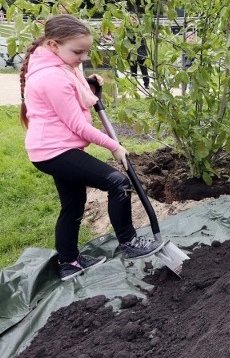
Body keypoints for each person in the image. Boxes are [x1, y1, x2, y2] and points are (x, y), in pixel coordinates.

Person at [19, 15, 163, 281]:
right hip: (55, 151)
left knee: (73, 206)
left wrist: (91, 84)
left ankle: (69, 263)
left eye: (86, 51)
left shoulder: (62, 64)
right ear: (53, 44)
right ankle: (129, 243)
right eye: (78, 52)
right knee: (117, 183)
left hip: (53, 149)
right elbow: (77, 125)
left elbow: (81, 91)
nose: (83, 57)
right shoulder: (51, 77)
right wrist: (114, 146)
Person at [128, 15, 150, 89]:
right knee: (133, 71)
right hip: (132, 53)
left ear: (137, 20)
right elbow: (129, 40)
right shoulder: (128, 29)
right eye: (132, 19)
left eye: (135, 19)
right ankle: (134, 85)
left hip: (141, 52)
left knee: (144, 70)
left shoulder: (141, 29)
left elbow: (142, 40)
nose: (133, 21)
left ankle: (146, 84)